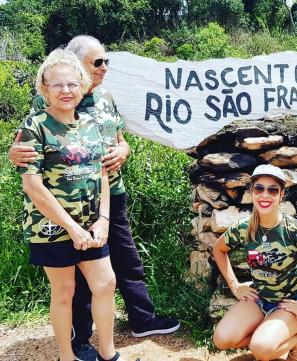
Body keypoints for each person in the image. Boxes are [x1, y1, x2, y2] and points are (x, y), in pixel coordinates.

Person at [8, 35, 179, 360]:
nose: (104, 68)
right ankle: (77, 342)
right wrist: (13, 153)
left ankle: (130, 330)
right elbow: (28, 156)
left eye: (105, 62)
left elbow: (116, 141)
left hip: (105, 198)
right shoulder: (42, 112)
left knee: (115, 270)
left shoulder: (102, 102)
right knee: (72, 285)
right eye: (97, 62)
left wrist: (124, 151)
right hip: (58, 214)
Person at [17, 48, 126, 361]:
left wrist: (103, 219)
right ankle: (68, 356)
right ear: (44, 89)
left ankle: (108, 354)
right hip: (51, 226)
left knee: (105, 283)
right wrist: (72, 228)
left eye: (72, 84)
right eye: (57, 85)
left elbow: (104, 172)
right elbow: (33, 186)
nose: (66, 91)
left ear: (82, 86)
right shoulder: (35, 126)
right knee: (64, 291)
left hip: (91, 225)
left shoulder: (90, 123)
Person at [212, 164, 297, 361]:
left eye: (272, 190)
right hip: (259, 298)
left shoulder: (295, 230)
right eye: (259, 188)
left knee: (261, 349)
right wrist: (234, 285)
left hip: (289, 303)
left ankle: (296, 340)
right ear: (252, 192)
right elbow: (218, 250)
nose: (265, 195)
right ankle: (270, 336)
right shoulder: (244, 227)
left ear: (281, 195)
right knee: (222, 339)